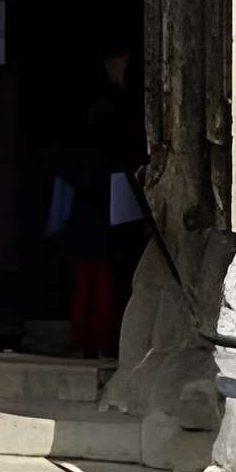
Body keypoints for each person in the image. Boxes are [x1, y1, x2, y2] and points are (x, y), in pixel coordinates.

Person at [63, 44, 146, 356]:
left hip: (107, 198)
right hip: (99, 196)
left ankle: (98, 339)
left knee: (104, 271)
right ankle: (93, 339)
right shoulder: (105, 104)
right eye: (116, 58)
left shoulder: (121, 100)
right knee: (97, 271)